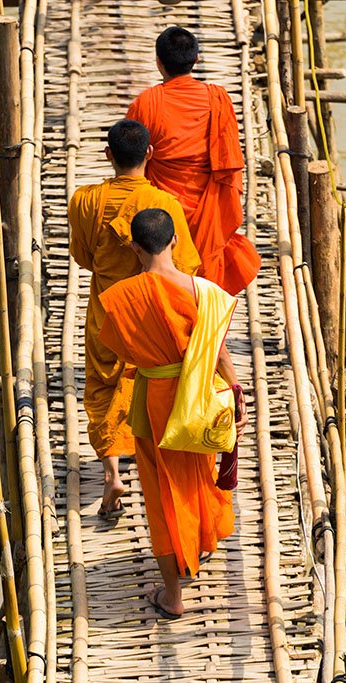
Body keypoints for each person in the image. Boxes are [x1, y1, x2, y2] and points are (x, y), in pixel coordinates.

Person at [98, 208, 246, 619]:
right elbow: (218, 352)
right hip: (200, 397)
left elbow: (121, 352)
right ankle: (198, 544)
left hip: (156, 403)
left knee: (161, 491)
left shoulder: (119, 298)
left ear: (133, 247)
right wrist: (235, 392)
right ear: (176, 241)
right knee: (197, 472)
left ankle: (172, 594)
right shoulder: (205, 292)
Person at [69, 119, 201, 518]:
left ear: (108, 155)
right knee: (148, 386)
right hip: (153, 312)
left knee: (102, 388)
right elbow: (186, 266)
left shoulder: (85, 201)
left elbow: (81, 256)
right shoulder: (167, 206)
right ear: (150, 154)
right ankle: (155, 465)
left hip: (107, 307)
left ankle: (112, 471)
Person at [126, 26, 261, 297]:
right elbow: (229, 161)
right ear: (196, 59)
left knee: (163, 286)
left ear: (158, 62)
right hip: (209, 208)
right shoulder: (218, 99)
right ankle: (207, 332)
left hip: (162, 214)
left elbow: (132, 161)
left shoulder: (146, 103)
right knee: (206, 285)